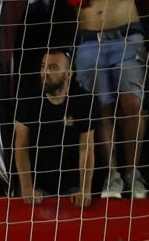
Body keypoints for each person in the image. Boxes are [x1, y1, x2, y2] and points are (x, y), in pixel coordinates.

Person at [13, 48, 96, 206]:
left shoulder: (84, 101)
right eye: (43, 67)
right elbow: (21, 146)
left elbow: (86, 149)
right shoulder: (28, 98)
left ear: (68, 74)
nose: (45, 73)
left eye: (53, 68)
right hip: (37, 184)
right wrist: (26, 187)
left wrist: (85, 189)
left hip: (71, 186)